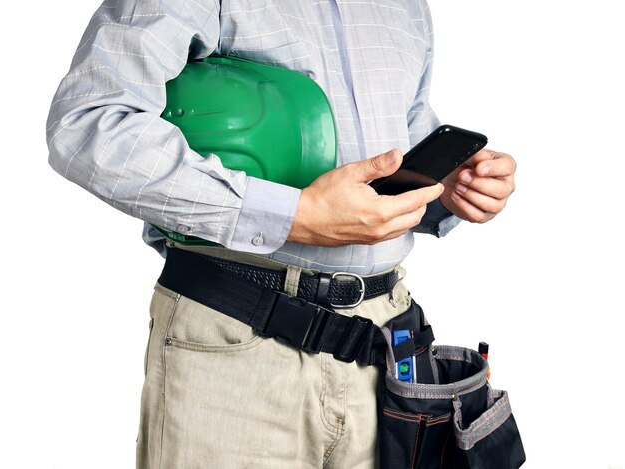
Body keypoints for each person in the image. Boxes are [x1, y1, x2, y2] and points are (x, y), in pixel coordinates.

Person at [46, 1, 516, 467]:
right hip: (237, 342)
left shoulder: (404, 7)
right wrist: (293, 215)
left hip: (383, 348)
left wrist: (451, 186)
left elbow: (399, 142)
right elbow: (90, 125)